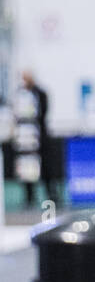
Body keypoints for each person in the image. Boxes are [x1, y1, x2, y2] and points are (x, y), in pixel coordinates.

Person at [14, 70, 49, 207]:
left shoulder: (40, 93)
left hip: (38, 138)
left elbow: (43, 113)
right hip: (23, 140)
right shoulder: (20, 94)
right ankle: (29, 197)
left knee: (44, 168)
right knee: (26, 169)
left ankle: (49, 195)